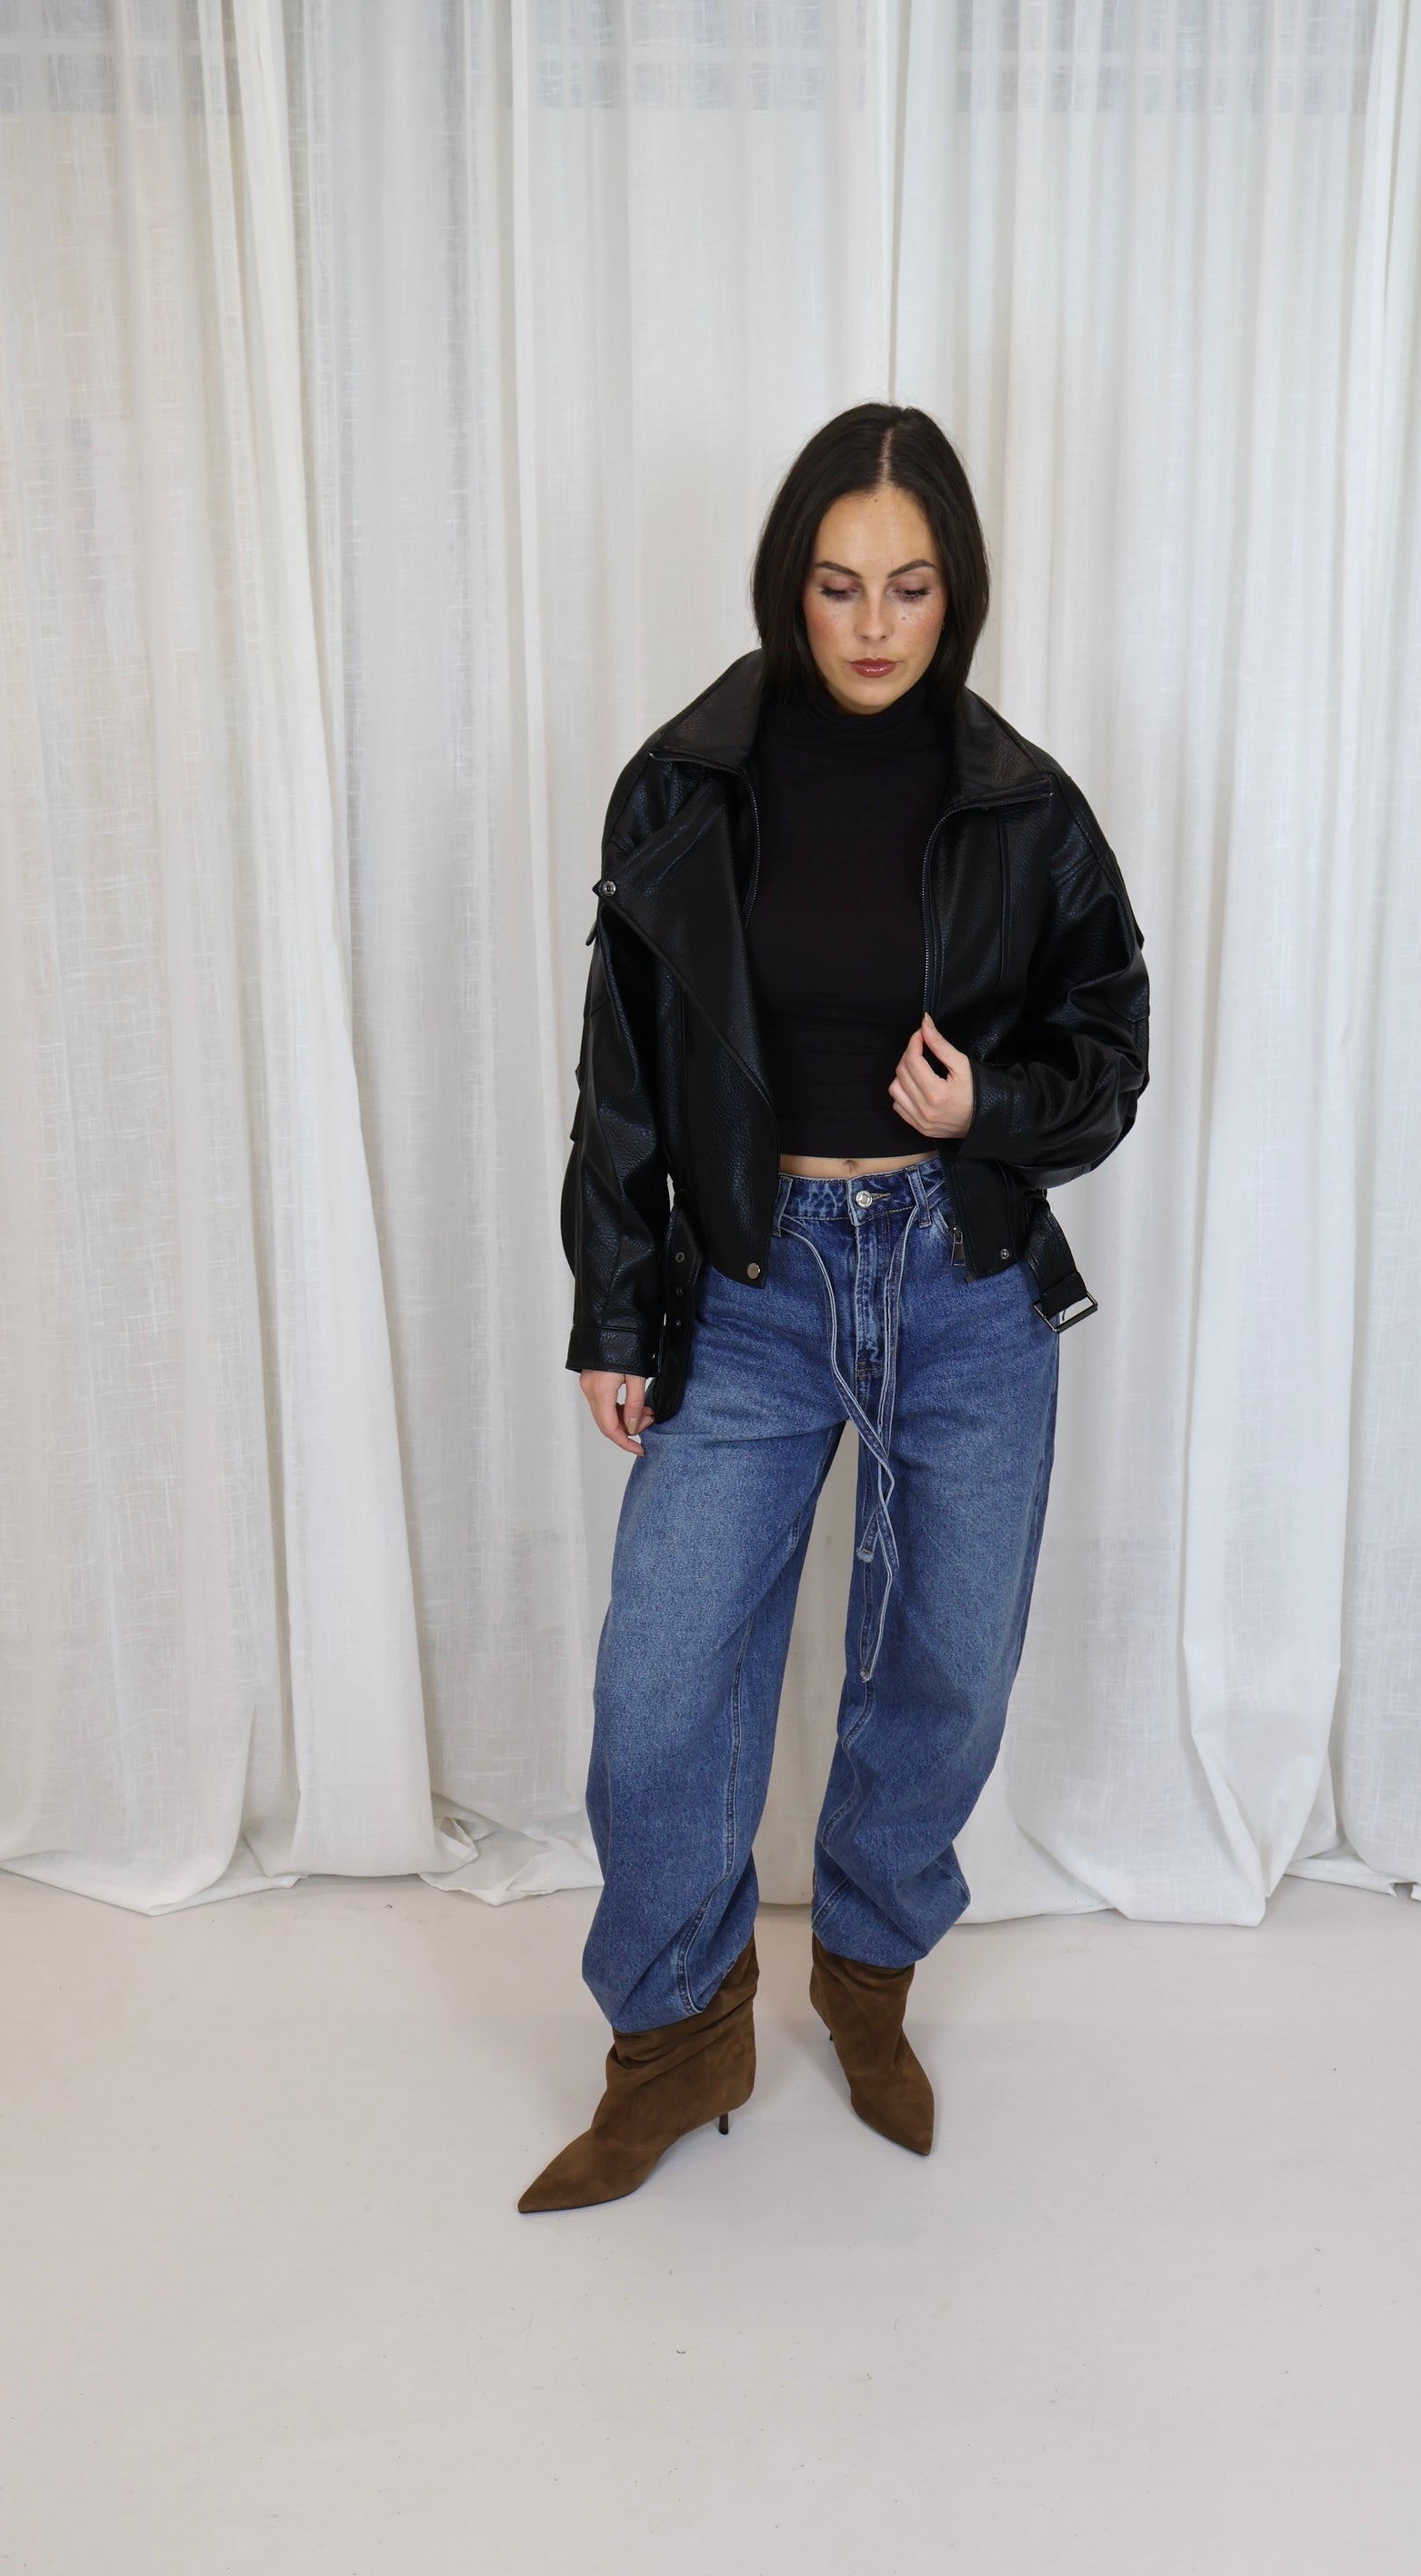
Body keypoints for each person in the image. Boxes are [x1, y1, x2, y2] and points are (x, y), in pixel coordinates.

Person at [518, 403, 1148, 2214]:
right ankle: (674, 2039)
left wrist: (987, 1106)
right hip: (748, 1284)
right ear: (786, 586)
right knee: (659, 1680)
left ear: (959, 594)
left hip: (960, 1282)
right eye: (839, 584)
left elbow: (1107, 1050)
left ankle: (867, 1977)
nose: (874, 625)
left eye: (912, 588)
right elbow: (623, 1075)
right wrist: (614, 1312)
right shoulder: (683, 785)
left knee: (946, 1660)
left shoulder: (1025, 806)